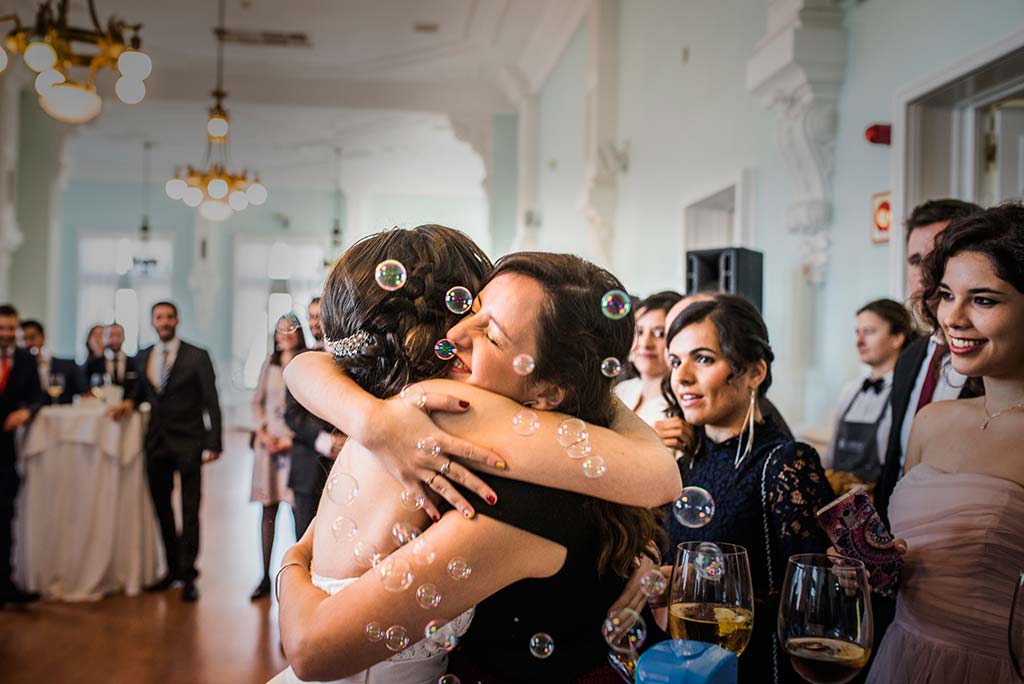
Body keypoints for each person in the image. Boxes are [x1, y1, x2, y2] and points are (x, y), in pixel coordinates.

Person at [274, 228, 679, 683]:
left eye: (494, 334)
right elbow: (306, 365)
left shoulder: (475, 448)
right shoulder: (563, 433)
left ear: (547, 389)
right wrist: (372, 420)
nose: (456, 331)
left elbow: (312, 652)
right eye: (472, 308)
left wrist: (294, 558)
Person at [867, 202, 1024, 683]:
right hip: (902, 655)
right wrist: (870, 561)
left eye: (983, 300)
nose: (951, 318)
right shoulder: (932, 422)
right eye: (945, 295)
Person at [661, 294, 835, 684]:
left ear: (755, 372)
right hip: (686, 665)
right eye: (675, 361)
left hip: (753, 668)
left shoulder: (785, 463)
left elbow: (815, 603)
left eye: (703, 358)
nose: (682, 377)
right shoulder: (683, 460)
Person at [875, 198, 982, 526]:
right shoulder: (909, 358)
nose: (923, 275)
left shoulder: (994, 360)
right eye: (914, 260)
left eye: (935, 259)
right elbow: (895, 464)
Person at [114, 301, 222, 603]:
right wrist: (127, 404)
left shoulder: (197, 356)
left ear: (177, 320)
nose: (164, 322)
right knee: (162, 509)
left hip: (190, 441)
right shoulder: (142, 356)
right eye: (159, 317)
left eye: (169, 317)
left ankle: (189, 574)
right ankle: (172, 568)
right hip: (156, 444)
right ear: (152, 322)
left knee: (190, 510)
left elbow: (211, 400)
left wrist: (214, 442)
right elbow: (137, 395)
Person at [823, 299, 917, 493]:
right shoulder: (850, 390)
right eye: (857, 333)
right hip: (840, 499)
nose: (859, 342)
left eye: (869, 332)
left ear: (897, 337)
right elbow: (832, 454)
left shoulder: (907, 393)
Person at [249, 315, 307, 601]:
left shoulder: (305, 364)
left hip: (293, 445)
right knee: (268, 509)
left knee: (299, 512)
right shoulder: (269, 365)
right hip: (268, 446)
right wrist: (262, 432)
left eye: (291, 328)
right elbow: (257, 401)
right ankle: (263, 575)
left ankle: (300, 578)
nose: (285, 333)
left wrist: (290, 440)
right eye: (281, 329)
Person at [614, 291, 694, 456]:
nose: (645, 343)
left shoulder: (683, 406)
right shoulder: (622, 390)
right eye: (640, 332)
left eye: (659, 334)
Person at [284, 297, 338, 540]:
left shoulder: (349, 359)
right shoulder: (301, 360)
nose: (315, 322)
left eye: (320, 316)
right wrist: (323, 439)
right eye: (312, 316)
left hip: (342, 463)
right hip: (307, 461)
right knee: (304, 536)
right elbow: (292, 413)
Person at [0, 305, 42, 606]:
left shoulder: (27, 360)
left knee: (4, 519)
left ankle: (5, 584)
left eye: (10, 328)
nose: (6, 333)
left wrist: (27, 411)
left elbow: (39, 396)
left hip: (5, 453)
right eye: (1, 327)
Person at [19, 320, 84, 405]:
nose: (27, 343)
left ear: (43, 338)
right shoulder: (16, 369)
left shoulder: (68, 366)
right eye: (23, 339)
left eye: (32, 337)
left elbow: (84, 393)